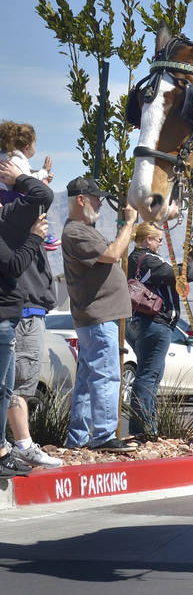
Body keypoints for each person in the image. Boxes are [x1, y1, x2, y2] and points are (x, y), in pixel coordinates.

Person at [62, 176, 138, 452]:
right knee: (107, 375)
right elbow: (113, 254)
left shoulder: (84, 229)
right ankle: (104, 436)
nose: (100, 204)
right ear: (81, 199)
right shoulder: (76, 233)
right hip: (98, 318)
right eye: (95, 199)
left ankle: (78, 438)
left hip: (95, 318)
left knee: (86, 381)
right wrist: (129, 223)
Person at [7, 156, 62, 469]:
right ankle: (22, 445)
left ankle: (21, 444)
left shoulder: (23, 213)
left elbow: (41, 196)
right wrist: (28, 179)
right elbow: (41, 195)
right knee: (19, 384)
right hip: (24, 309)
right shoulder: (14, 212)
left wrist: (35, 176)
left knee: (20, 384)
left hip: (31, 307)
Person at [0, 160, 51, 477]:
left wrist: (29, 177)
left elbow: (41, 192)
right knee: (3, 389)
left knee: (5, 390)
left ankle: (4, 450)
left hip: (7, 316)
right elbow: (15, 265)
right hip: (4, 318)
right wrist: (34, 236)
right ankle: (5, 450)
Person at [125, 222, 179, 438]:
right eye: (158, 240)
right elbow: (176, 273)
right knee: (148, 377)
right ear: (148, 239)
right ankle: (143, 431)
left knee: (149, 376)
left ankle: (146, 427)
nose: (160, 244)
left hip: (141, 322)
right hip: (154, 322)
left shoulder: (133, 259)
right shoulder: (147, 259)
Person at [0, 121, 59, 251]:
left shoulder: (5, 156)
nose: (35, 148)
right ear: (27, 147)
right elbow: (26, 181)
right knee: (36, 200)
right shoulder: (17, 160)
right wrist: (43, 172)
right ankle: (39, 234)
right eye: (35, 145)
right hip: (9, 196)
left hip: (4, 196)